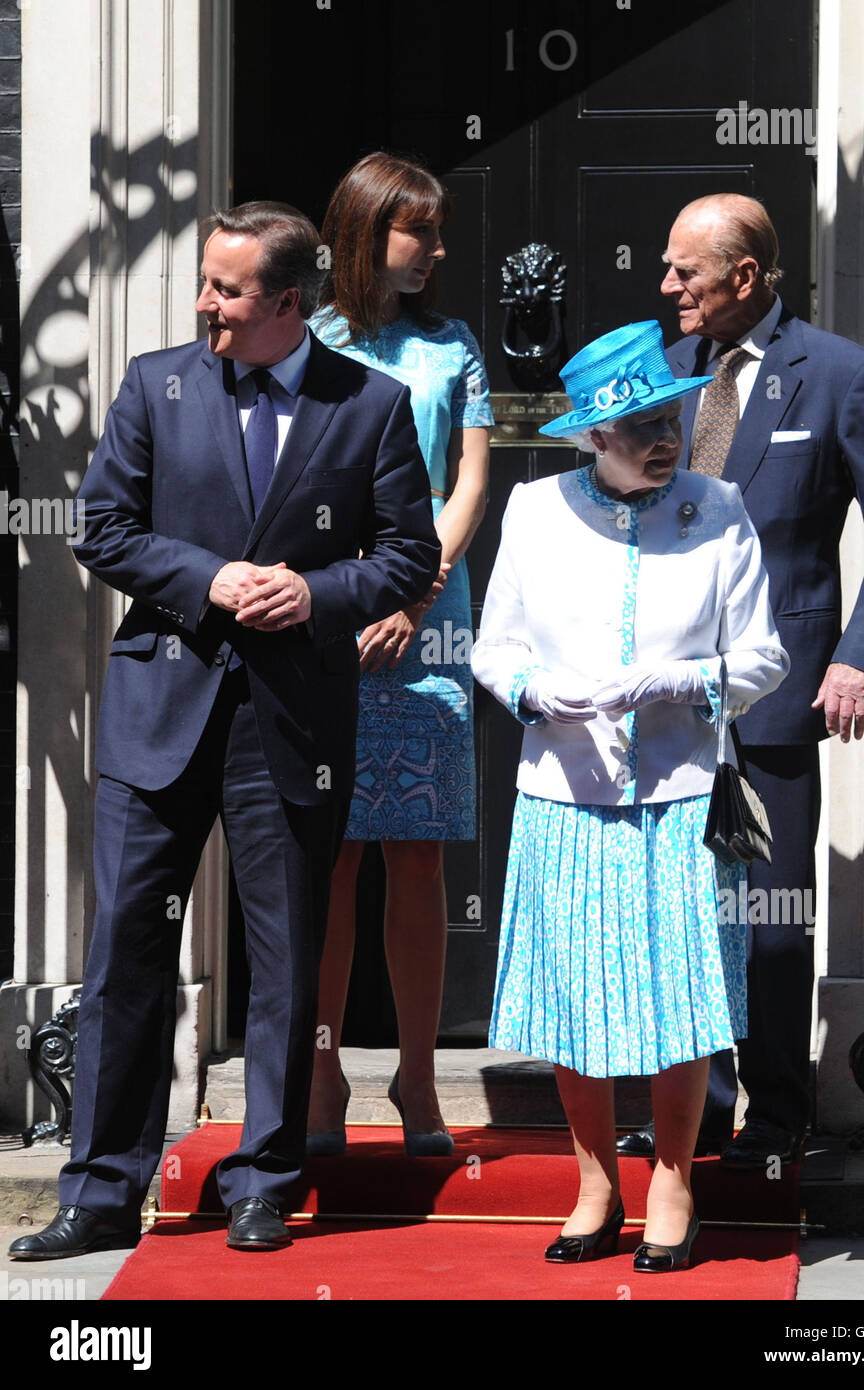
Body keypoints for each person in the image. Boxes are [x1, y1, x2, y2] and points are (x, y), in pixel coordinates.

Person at [8, 201, 441, 1261]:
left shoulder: (371, 405)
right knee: (124, 954)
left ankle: (266, 1178)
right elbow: (101, 528)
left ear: (286, 304)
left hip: (290, 718)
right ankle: (103, 1187)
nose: (204, 302)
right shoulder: (156, 385)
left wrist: (315, 592)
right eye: (204, 282)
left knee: (286, 956)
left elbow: (404, 554)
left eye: (226, 289)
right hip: (161, 710)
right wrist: (210, 578)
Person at [617, 193, 864, 1169]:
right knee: (674, 912)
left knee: (765, 919)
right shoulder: (651, 373)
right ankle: (694, 1105)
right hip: (659, 695)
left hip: (774, 694)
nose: (666, 286)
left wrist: (859, 657)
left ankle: (776, 1113)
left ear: (744, 277)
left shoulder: (840, 375)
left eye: (685, 271)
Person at [471, 320, 788, 1270]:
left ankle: (676, 1183)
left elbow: (764, 658)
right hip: (564, 795)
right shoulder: (531, 510)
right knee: (573, 1003)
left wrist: (678, 682)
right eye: (637, 425)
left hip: (683, 794)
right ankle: (595, 1182)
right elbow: (495, 649)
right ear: (590, 438)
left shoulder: (720, 506)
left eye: (668, 418)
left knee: (681, 999)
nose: (662, 438)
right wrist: (532, 693)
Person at [304, 153, 492, 1155]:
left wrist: (413, 594)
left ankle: (418, 1081)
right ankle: (323, 1075)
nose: (436, 249)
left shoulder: (451, 346)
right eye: (420, 228)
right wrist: (343, 600)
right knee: (325, 861)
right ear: (368, 230)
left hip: (429, 625)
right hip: (327, 621)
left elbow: (466, 485)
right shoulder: (306, 341)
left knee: (417, 859)